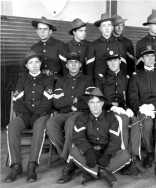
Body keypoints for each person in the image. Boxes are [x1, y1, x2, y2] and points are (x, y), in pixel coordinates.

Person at [45, 52, 95, 183]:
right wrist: (75, 99)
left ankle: (69, 166)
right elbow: (57, 103)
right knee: (50, 124)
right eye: (70, 63)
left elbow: (89, 101)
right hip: (63, 113)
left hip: (81, 113)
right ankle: (68, 156)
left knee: (70, 123)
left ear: (80, 65)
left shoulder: (87, 79)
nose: (73, 65)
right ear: (66, 65)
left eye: (76, 62)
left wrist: (71, 102)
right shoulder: (61, 80)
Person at [5, 51, 54, 183]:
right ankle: (16, 165)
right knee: (12, 127)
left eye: (37, 62)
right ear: (26, 66)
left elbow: (47, 101)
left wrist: (37, 115)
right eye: (31, 63)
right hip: (25, 115)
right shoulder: (22, 80)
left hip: (41, 115)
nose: (34, 65)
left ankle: (32, 165)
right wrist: (26, 115)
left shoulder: (47, 79)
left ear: (40, 64)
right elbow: (17, 100)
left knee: (39, 128)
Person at [68, 88, 131, 186]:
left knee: (125, 155)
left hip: (105, 150)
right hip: (90, 151)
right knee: (73, 152)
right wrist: (88, 151)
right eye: (92, 102)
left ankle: (92, 173)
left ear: (102, 103)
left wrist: (108, 154)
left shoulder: (111, 118)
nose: (95, 105)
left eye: (98, 102)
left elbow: (115, 139)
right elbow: (78, 138)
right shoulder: (81, 118)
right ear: (88, 104)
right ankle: (103, 172)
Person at [96, 50, 143, 178]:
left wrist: (129, 108)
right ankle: (125, 160)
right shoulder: (102, 78)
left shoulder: (127, 78)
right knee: (122, 120)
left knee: (136, 122)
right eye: (110, 60)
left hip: (124, 109)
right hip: (108, 111)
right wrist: (111, 107)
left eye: (115, 60)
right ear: (107, 63)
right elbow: (98, 99)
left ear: (119, 61)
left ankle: (133, 157)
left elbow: (130, 96)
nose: (113, 63)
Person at [128, 45, 156, 182]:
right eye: (147, 56)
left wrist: (153, 106)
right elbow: (132, 97)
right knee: (146, 124)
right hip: (143, 109)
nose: (150, 59)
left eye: (152, 56)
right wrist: (142, 108)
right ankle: (150, 152)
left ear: (155, 58)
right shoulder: (136, 76)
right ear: (142, 58)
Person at [86, 13, 126, 82]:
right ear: (100, 28)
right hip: (98, 83)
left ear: (112, 27)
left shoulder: (119, 45)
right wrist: (91, 87)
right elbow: (89, 69)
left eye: (109, 25)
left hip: (115, 84)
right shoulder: (93, 45)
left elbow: (123, 68)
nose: (107, 28)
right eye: (104, 26)